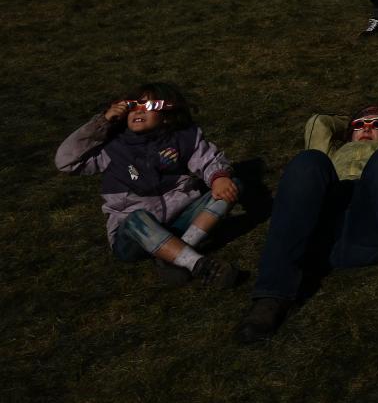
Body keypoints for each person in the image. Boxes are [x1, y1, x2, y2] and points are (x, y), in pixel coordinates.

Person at [234, 106, 378, 343]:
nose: (367, 127)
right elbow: (319, 122)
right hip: (324, 226)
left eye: (377, 125)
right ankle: (270, 298)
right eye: (359, 125)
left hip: (371, 221)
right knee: (308, 160)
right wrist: (351, 122)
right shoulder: (332, 156)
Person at [55, 83, 241, 288]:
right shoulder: (112, 146)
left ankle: (175, 254)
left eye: (150, 106)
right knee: (136, 218)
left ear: (167, 115)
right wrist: (102, 121)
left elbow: (207, 161)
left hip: (176, 222)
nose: (139, 110)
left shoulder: (182, 137)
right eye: (132, 106)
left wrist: (218, 178)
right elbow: (66, 162)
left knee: (229, 186)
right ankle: (198, 264)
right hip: (132, 237)